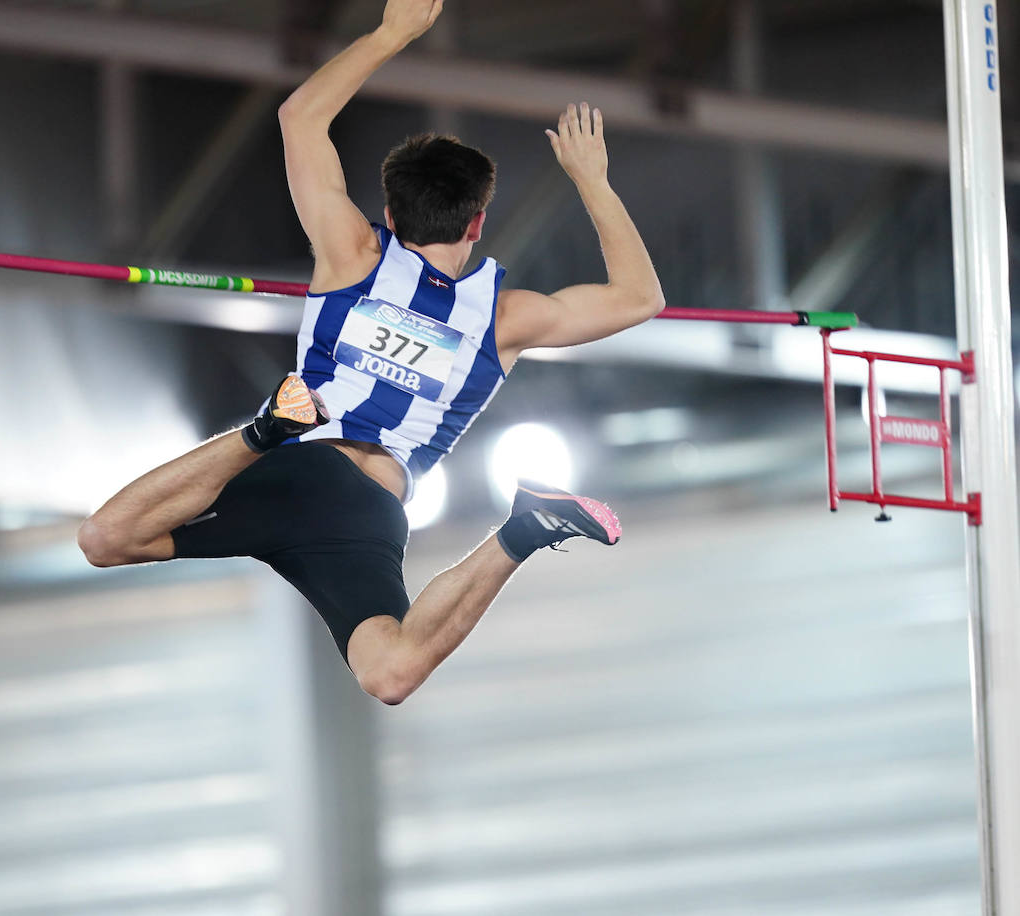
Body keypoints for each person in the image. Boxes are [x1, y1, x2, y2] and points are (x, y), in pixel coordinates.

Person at [78, 0, 664, 705]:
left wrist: (391, 35)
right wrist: (591, 180)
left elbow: (299, 118)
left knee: (107, 539)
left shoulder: (351, 253)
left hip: (295, 468)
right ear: (478, 221)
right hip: (364, 506)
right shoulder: (506, 318)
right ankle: (518, 531)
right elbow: (640, 298)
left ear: (389, 217)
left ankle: (266, 431)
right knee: (390, 674)